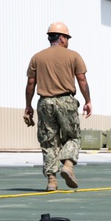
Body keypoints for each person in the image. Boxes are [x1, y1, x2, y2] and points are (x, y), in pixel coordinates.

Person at [24, 22, 92, 192]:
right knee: (73, 136)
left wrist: (28, 106)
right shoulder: (74, 56)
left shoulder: (37, 57)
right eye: (67, 38)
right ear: (61, 38)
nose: (67, 41)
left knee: (49, 141)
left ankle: (52, 181)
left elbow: (31, 83)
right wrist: (87, 101)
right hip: (66, 102)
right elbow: (82, 80)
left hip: (45, 103)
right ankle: (68, 165)